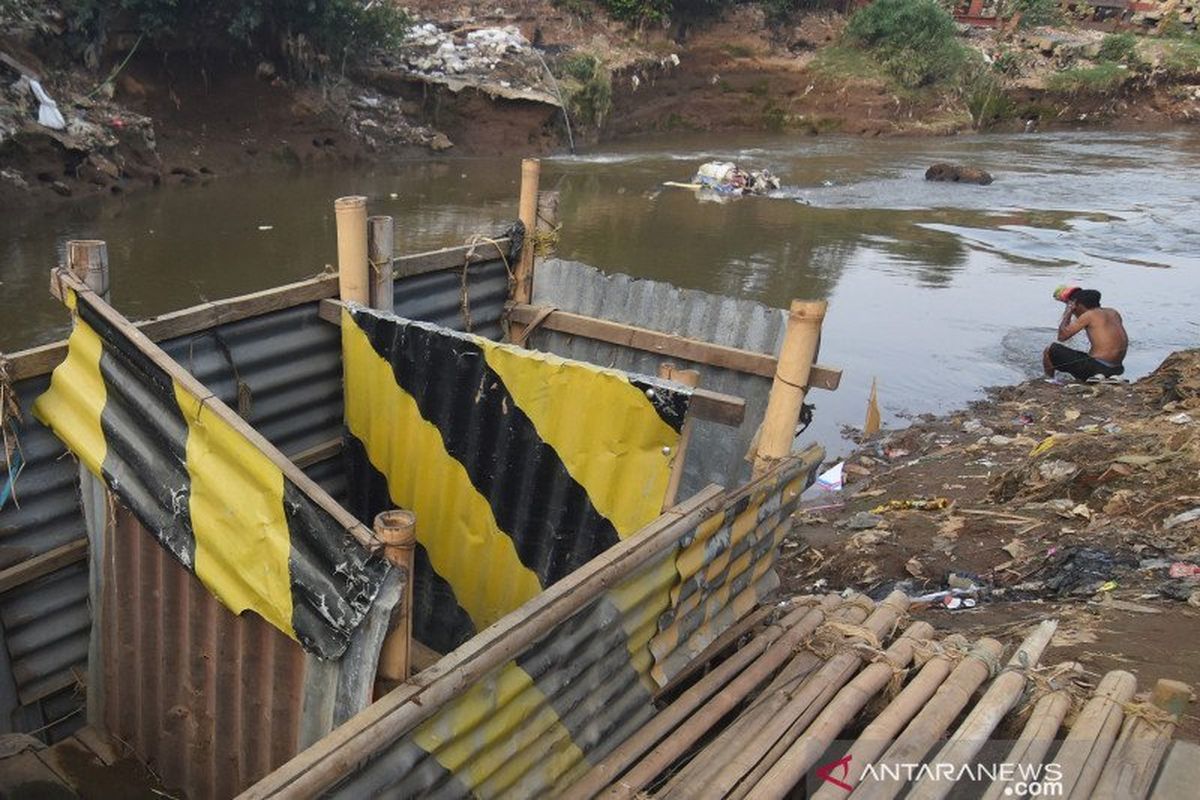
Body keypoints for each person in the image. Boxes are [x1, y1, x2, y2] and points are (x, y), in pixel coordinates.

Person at [1043, 287, 1127, 381]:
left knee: (1050, 349)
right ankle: (1102, 376)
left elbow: (1062, 337)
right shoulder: (1113, 312)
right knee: (1085, 357)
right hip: (1117, 369)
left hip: (1097, 367)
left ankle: (1049, 381)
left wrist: (1068, 311)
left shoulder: (1089, 315)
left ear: (1078, 305)